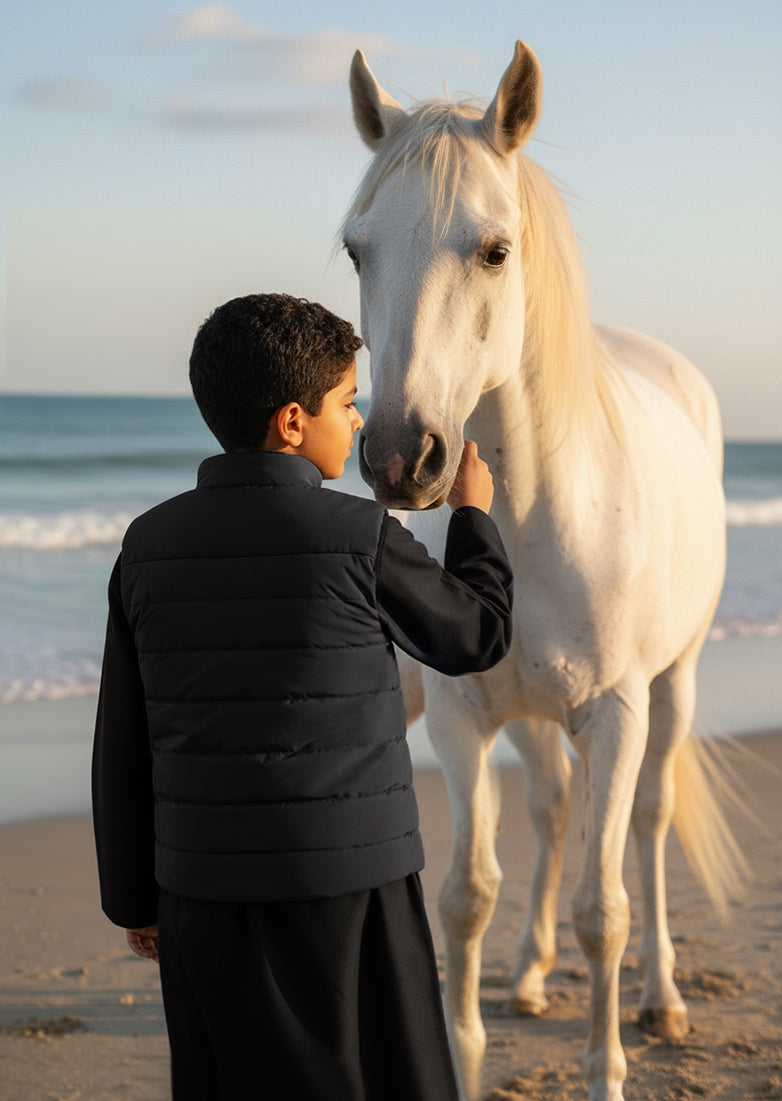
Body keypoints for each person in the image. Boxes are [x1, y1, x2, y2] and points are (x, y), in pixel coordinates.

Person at [92, 292, 513, 1101]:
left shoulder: (146, 545)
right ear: (292, 421)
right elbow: (475, 635)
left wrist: (133, 896)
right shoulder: (359, 535)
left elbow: (123, 736)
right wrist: (473, 519)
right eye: (348, 403)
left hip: (200, 891)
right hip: (353, 887)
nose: (358, 422)